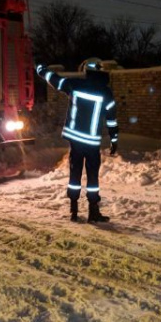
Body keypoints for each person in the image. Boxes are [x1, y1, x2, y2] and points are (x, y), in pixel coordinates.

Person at [36, 61, 119, 223]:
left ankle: (73, 210)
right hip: (92, 142)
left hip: (75, 140)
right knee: (93, 177)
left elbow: (55, 80)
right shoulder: (106, 92)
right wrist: (114, 140)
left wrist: (41, 69)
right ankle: (93, 212)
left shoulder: (75, 85)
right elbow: (112, 120)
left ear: (87, 72)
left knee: (75, 173)